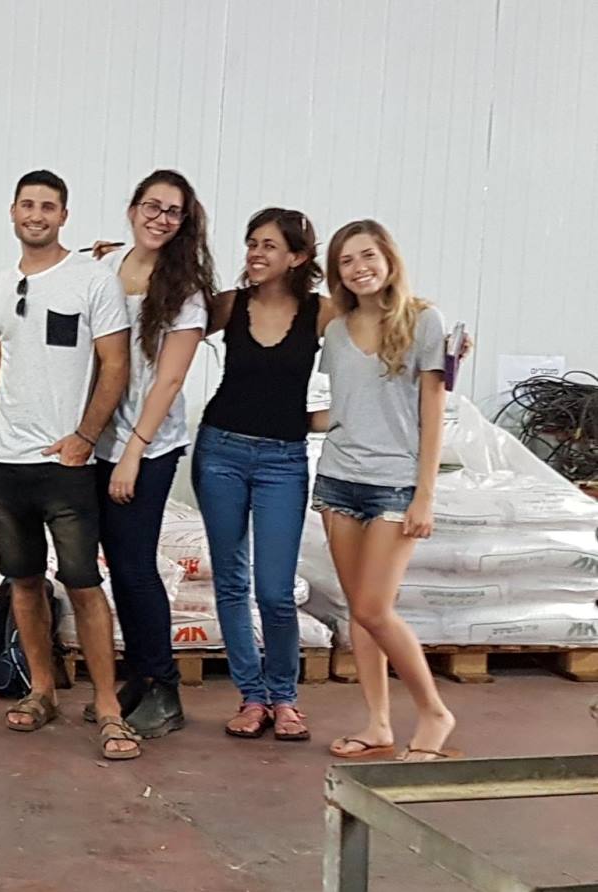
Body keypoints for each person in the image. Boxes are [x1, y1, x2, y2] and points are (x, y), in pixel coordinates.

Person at [0, 169, 140, 760]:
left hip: (64, 462)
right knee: (22, 580)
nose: (36, 214)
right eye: (27, 205)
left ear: (63, 215)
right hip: (5, 459)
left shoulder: (92, 280)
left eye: (48, 206)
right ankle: (42, 691)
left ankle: (110, 709)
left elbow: (115, 365)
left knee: (83, 582)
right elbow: (0, 362)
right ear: (13, 213)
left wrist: (85, 437)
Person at [317, 220, 457, 762]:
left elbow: (432, 410)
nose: (359, 268)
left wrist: (426, 493)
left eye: (367, 255)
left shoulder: (424, 321)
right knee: (358, 609)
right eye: (347, 261)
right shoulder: (336, 330)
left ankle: (434, 711)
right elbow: (346, 406)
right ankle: (377, 723)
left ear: (388, 258)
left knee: (375, 607)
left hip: (394, 484)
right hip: (338, 477)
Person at [191, 208, 333, 741]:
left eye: (269, 245)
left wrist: (327, 420)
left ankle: (285, 698)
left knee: (275, 590)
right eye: (252, 242)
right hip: (220, 450)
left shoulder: (321, 312)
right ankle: (252, 698)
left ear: (297, 257)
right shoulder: (231, 304)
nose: (255, 253)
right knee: (231, 581)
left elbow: (378, 336)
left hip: (284, 461)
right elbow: (162, 316)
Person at [89, 170, 215, 739]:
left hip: (148, 443)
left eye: (173, 212)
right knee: (117, 565)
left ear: (185, 223)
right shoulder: (104, 268)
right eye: (152, 206)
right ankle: (137, 679)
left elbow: (168, 381)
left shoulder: (184, 289)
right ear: (133, 207)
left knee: (137, 567)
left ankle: (164, 689)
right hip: (98, 438)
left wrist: (133, 453)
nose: (161, 218)